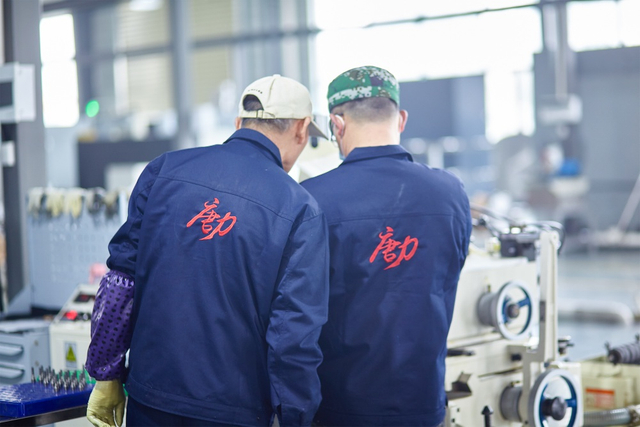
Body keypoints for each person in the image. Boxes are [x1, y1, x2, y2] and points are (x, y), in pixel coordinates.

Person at [85, 74, 330, 427]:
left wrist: (106, 374)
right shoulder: (299, 207)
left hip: (149, 400)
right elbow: (293, 337)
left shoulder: (163, 170)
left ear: (238, 124)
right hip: (233, 411)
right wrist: (295, 417)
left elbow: (121, 281)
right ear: (302, 129)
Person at [301, 66, 472, 427]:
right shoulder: (450, 192)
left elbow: (299, 311)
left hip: (343, 407)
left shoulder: (314, 199)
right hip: (424, 402)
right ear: (402, 119)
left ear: (337, 124)